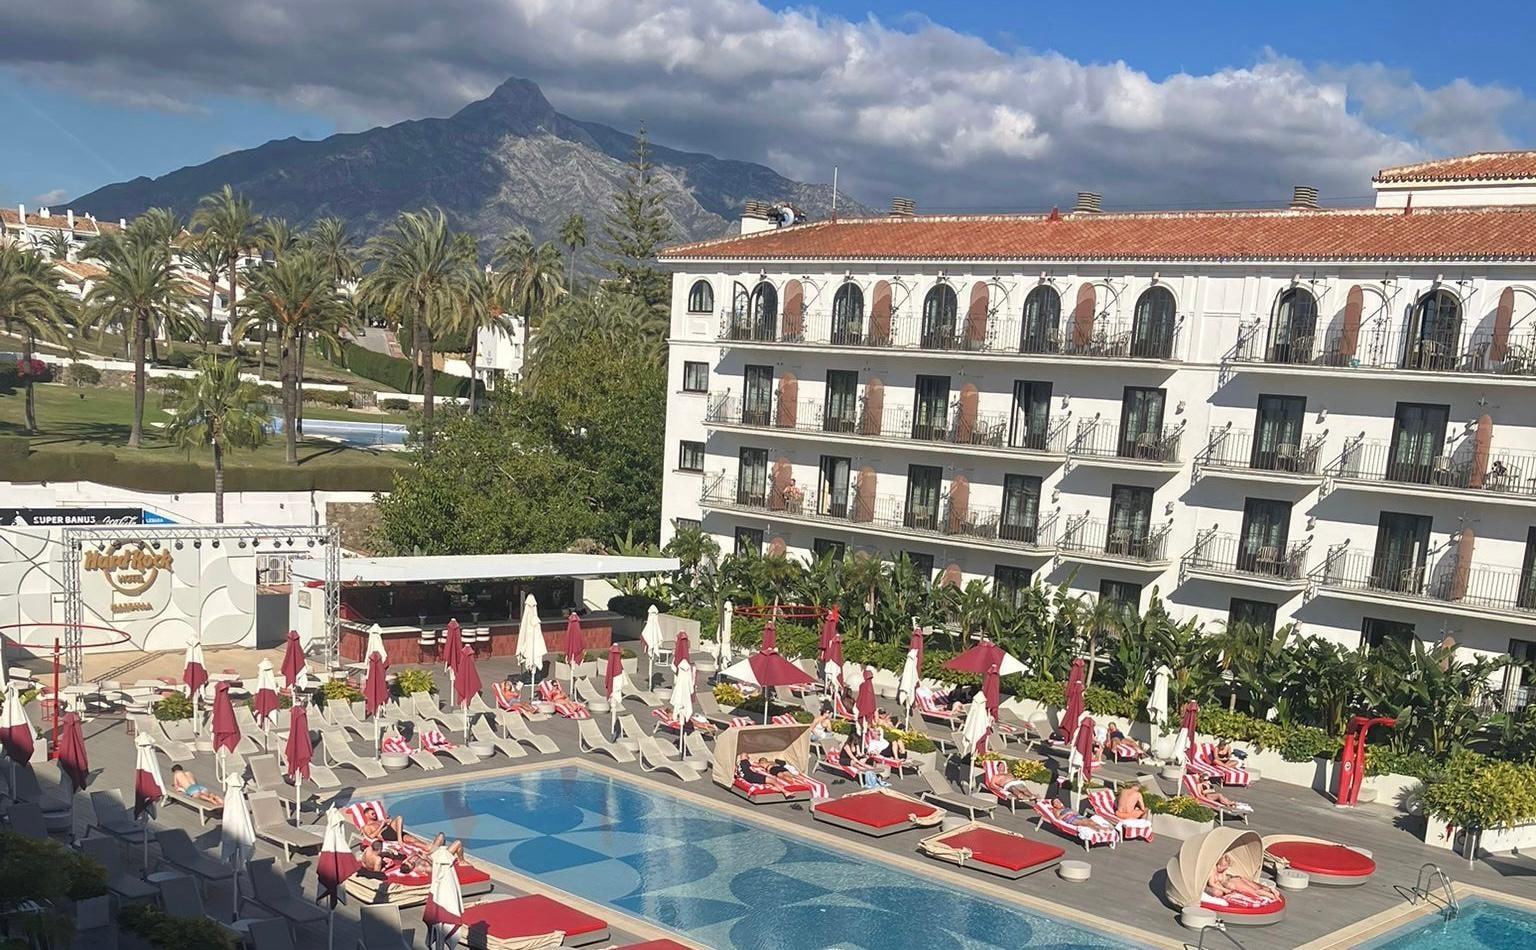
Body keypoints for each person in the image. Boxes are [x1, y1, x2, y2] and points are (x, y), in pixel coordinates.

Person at [1207, 853, 1280, 902]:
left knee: (1255, 891)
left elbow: (1219, 882)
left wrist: (1224, 889)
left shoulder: (1223, 872)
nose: (1220, 868)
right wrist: (1224, 889)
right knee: (1256, 889)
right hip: (1234, 880)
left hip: (1234, 880)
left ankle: (1272, 895)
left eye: (1224, 867)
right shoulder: (1214, 869)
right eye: (1220, 866)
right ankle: (1271, 892)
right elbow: (1213, 883)